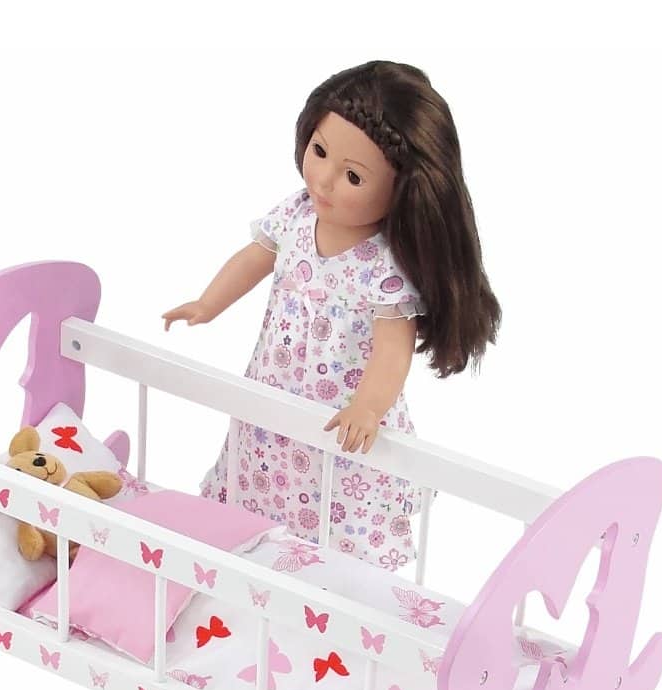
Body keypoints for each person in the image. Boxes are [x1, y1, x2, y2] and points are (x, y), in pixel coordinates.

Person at [162, 60, 501, 571]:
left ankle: (338, 584)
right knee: (263, 485)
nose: (323, 180)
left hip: (342, 421)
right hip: (272, 398)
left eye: (353, 176)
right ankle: (257, 559)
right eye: (319, 151)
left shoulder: (384, 267)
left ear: (402, 189)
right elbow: (254, 257)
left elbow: (392, 350)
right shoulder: (297, 215)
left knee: (334, 513)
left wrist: (368, 408)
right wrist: (208, 303)